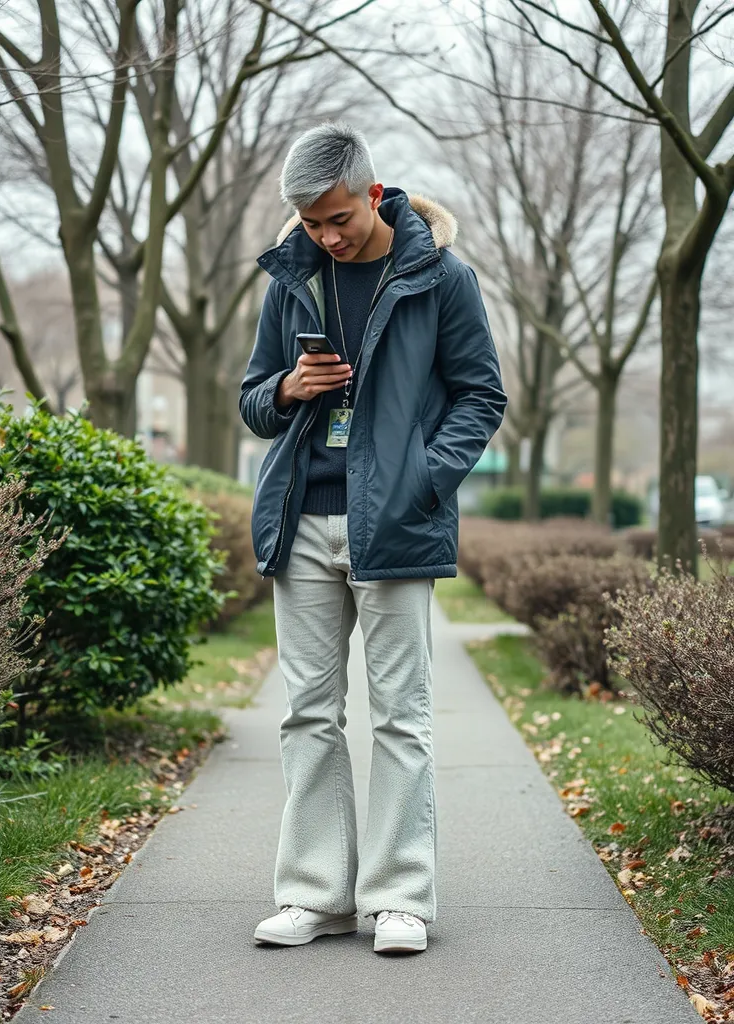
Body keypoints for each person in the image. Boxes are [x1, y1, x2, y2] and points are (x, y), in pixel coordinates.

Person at [239, 122, 507, 955]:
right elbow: (250, 400)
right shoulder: (291, 281)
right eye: (311, 223)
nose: (326, 235)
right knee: (309, 715)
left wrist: (423, 480)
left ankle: (399, 898)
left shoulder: (440, 276)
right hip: (303, 517)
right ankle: (314, 893)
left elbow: (481, 397)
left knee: (401, 716)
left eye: (337, 217)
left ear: (373, 190)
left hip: (394, 524)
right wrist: (288, 385)